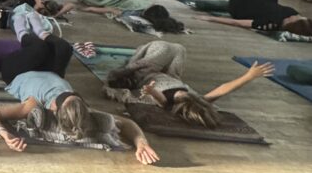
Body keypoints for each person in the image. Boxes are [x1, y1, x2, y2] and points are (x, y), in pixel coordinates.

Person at [0, 32, 160, 165]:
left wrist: (4, 134)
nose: (72, 96)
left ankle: (29, 33)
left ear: (55, 110)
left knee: (40, 49)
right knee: (64, 47)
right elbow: (127, 122)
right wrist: (141, 142)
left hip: (17, 71)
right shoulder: (78, 107)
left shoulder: (35, 104)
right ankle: (34, 31)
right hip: (50, 72)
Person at [105, 41, 274, 128]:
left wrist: (149, 90)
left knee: (163, 47)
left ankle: (126, 68)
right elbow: (223, 89)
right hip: (172, 75)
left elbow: (159, 98)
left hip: (145, 73)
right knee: (180, 48)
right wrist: (249, 76)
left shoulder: (168, 102)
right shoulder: (198, 100)